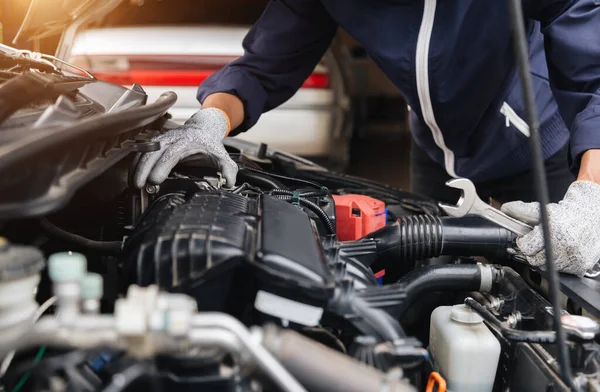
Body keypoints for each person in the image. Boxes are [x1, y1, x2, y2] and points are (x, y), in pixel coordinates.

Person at [133, 0, 600, 277]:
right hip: (436, 153)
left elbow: (593, 66)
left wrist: (592, 196)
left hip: (538, 143)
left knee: (547, 295)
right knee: (424, 273)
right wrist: (209, 122)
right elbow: (262, 66)